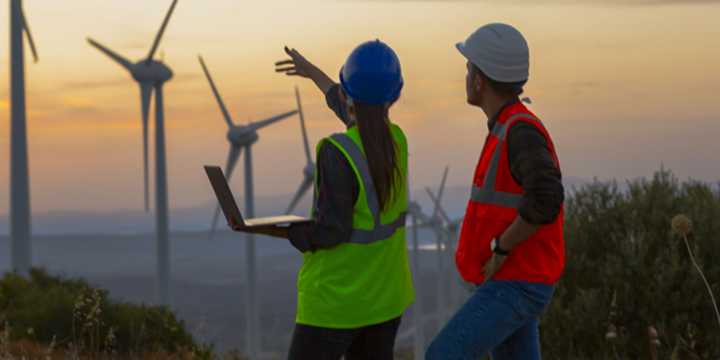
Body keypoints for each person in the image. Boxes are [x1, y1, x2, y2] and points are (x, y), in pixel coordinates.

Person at [228, 40, 414, 360]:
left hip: (334, 302)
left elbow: (330, 232)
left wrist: (261, 228)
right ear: (394, 96)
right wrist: (313, 72)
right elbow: (357, 111)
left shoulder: (337, 151)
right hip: (385, 301)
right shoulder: (397, 141)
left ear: (345, 93)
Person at [425, 23, 565, 360]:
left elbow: (547, 196)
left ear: (479, 79)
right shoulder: (508, 125)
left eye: (468, 67)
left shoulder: (519, 131)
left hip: (517, 281)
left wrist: (502, 247)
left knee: (441, 356)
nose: (466, 76)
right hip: (516, 279)